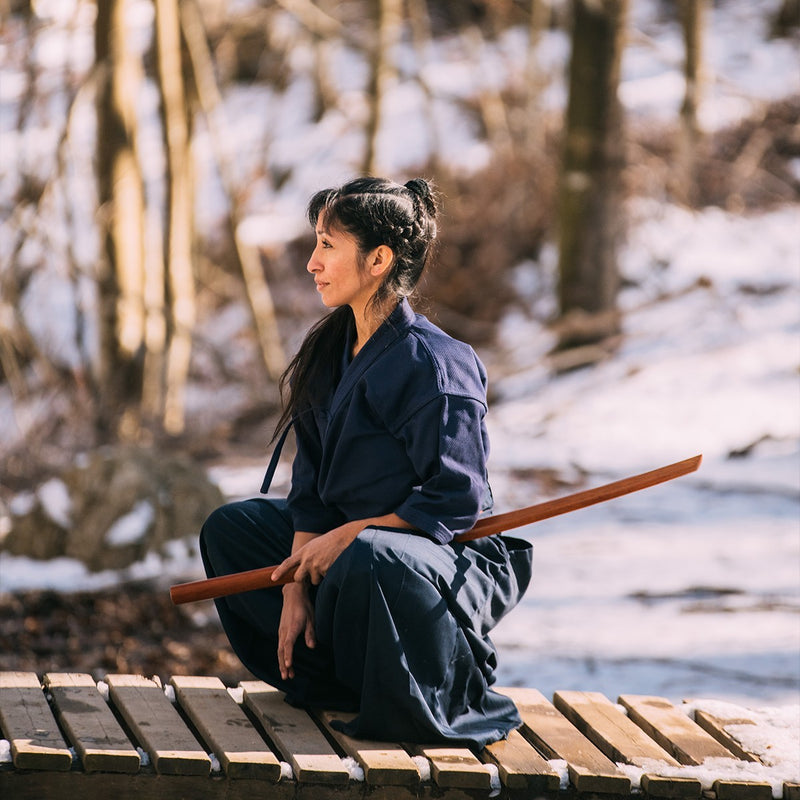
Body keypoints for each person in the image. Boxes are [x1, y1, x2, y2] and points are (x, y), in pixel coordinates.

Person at [200, 176, 533, 749]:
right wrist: (293, 585)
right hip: (354, 550)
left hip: (436, 556)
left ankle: (420, 688)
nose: (312, 262)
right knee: (232, 528)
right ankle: (335, 677)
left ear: (378, 260)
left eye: (328, 245)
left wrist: (353, 534)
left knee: (371, 555)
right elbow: (309, 489)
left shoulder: (436, 365)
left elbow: (457, 499)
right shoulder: (329, 352)